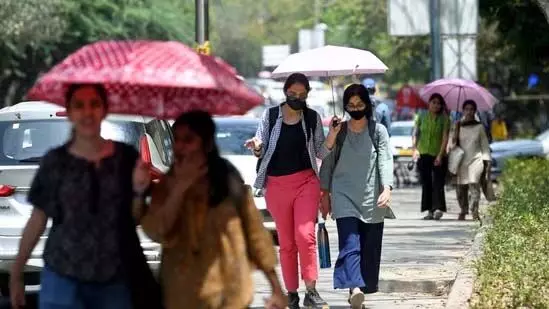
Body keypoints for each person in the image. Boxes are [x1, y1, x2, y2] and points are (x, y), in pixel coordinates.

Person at [10, 84, 162, 309]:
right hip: (63, 277)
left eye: (94, 104)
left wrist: (139, 191)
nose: (87, 112)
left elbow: (134, 219)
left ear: (104, 110)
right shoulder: (55, 161)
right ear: (70, 113)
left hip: (113, 279)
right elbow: (38, 219)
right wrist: (16, 273)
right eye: (79, 105)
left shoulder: (126, 158)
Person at [141, 111, 286, 309]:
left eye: (188, 140)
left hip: (229, 293)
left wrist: (276, 287)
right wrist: (179, 190)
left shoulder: (228, 180)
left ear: (207, 144)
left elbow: (255, 234)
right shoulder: (168, 184)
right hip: (181, 295)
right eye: (177, 140)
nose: (180, 146)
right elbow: (155, 230)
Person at [245, 73, 340, 309]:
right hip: (276, 186)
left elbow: (320, 152)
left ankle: (311, 290)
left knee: (305, 236)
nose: (296, 98)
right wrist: (256, 147)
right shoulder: (271, 115)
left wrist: (332, 136)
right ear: (285, 92)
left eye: (301, 95)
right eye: (292, 94)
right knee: (287, 243)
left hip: (306, 182)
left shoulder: (311, 117)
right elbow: (260, 144)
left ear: (307, 94)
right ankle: (292, 293)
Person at [319, 84, 393, 309]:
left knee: (369, 247)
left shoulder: (377, 130)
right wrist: (325, 193)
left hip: (371, 195)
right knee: (350, 243)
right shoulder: (338, 130)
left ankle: (360, 286)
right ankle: (355, 289)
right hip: (343, 195)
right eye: (350, 105)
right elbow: (326, 160)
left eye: (359, 104)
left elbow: (385, 160)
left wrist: (387, 188)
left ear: (367, 105)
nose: (355, 108)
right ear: (345, 107)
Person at [412, 93, 451, 220]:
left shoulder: (444, 119)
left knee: (438, 183)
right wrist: (415, 149)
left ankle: (438, 208)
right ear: (429, 103)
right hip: (423, 153)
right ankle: (429, 211)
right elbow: (415, 133)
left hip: (438, 154)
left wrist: (440, 155)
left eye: (439, 103)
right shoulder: (421, 116)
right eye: (433, 102)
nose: (436, 105)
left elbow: (445, 138)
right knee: (426, 183)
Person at [452, 100, 491, 221]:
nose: (469, 112)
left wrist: (487, 161)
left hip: (476, 160)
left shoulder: (479, 127)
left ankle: (474, 210)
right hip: (461, 161)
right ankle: (463, 209)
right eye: (466, 109)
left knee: (474, 186)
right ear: (463, 111)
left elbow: (485, 145)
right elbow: (452, 143)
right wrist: (453, 140)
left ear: (475, 111)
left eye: (471, 109)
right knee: (460, 189)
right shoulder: (458, 125)